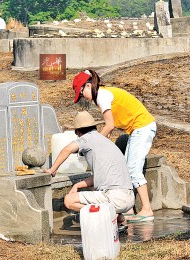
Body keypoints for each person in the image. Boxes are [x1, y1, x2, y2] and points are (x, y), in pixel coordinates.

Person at [72, 69, 157, 223]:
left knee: (132, 169)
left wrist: (94, 143)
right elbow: (109, 129)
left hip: (142, 127)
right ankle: (129, 210)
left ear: (88, 85)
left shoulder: (103, 96)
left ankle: (147, 209)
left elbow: (109, 126)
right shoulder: (102, 96)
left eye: (81, 92)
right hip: (137, 129)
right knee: (126, 168)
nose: (83, 97)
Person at [45, 111, 134, 227]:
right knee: (94, 189)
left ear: (78, 132)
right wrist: (77, 185)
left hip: (114, 197)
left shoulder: (86, 139)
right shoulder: (104, 141)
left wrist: (52, 169)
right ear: (94, 127)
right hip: (129, 199)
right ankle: (118, 217)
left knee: (69, 200)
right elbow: (99, 177)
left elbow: (67, 149)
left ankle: (107, 216)